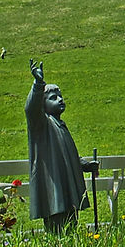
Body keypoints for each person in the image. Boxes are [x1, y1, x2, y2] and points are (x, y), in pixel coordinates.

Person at [25, 60, 99, 234]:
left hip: (66, 188)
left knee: (70, 225)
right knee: (58, 229)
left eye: (60, 96)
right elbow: (30, 109)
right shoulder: (41, 124)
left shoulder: (60, 125)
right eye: (53, 98)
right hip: (54, 189)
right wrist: (38, 85)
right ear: (43, 105)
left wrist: (85, 165)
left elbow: (67, 155)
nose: (60, 100)